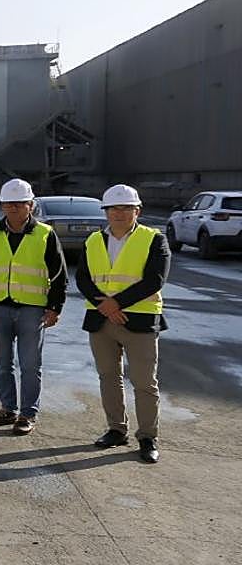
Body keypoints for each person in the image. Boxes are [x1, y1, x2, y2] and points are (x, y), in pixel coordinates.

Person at [75, 184, 170, 464]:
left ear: (136, 211)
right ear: (105, 212)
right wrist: (104, 304)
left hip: (138, 321)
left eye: (125, 208)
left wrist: (116, 304)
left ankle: (148, 437)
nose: (118, 213)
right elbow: (82, 278)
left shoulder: (154, 239)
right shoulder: (93, 240)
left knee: (144, 382)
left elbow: (155, 279)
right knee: (108, 378)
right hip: (101, 320)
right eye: (113, 208)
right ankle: (116, 429)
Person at [0, 178, 67, 435]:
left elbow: (59, 275)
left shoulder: (45, 235)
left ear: (30, 205)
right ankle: (8, 408)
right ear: (2, 206)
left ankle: (27, 413)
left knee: (30, 365)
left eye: (19, 204)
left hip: (32, 310)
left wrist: (55, 307)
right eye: (8, 204)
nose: (13, 208)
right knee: (2, 363)